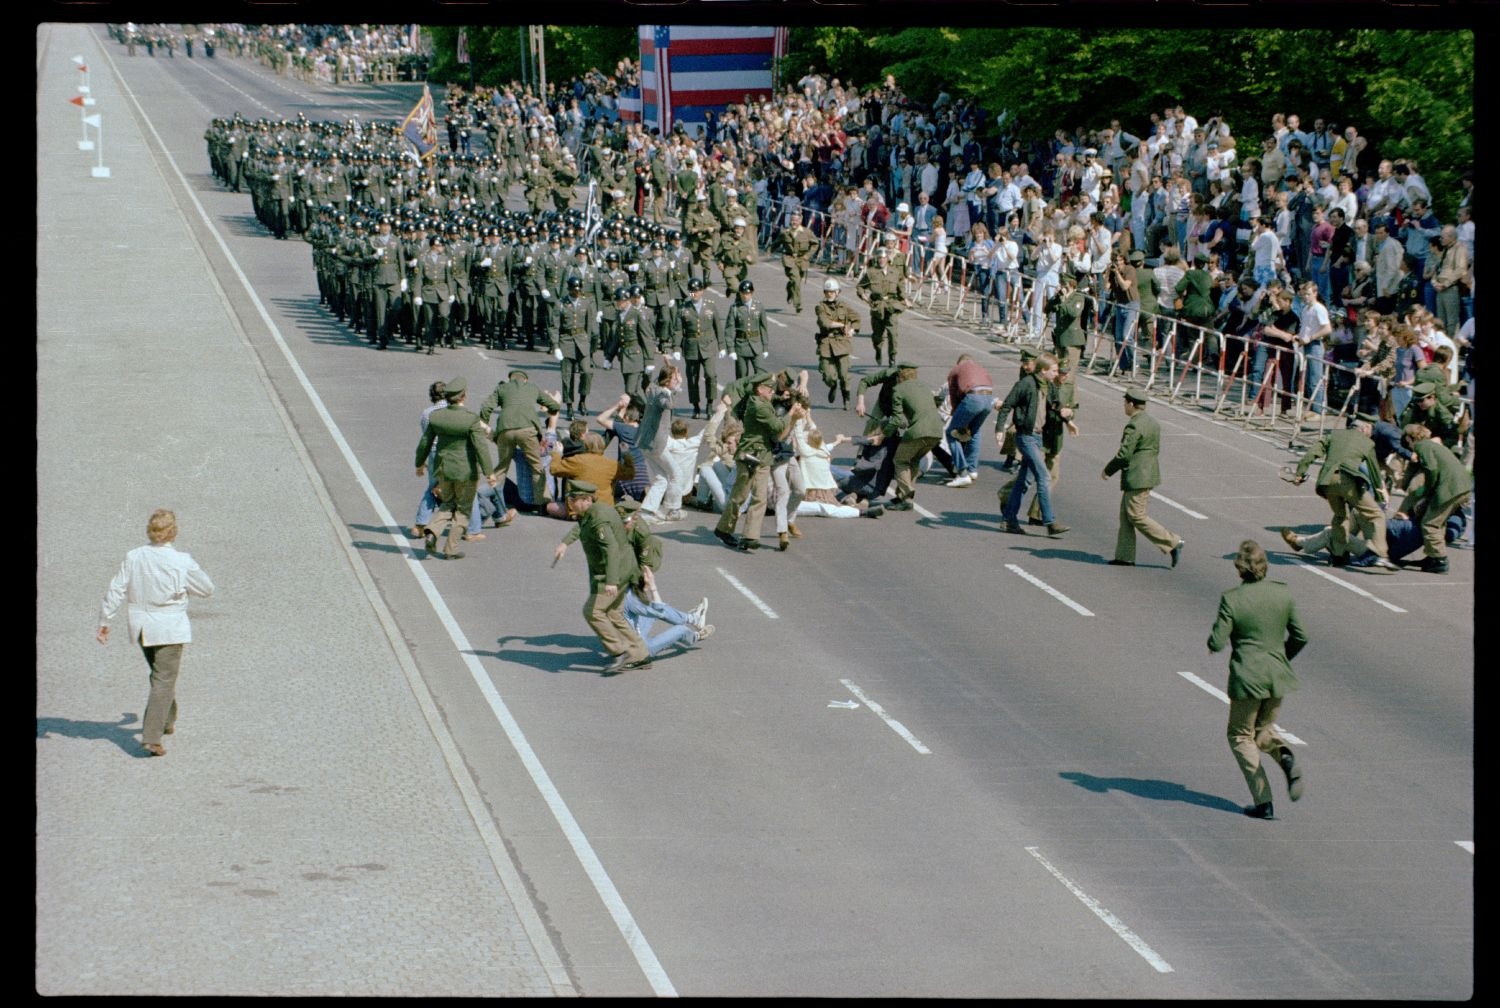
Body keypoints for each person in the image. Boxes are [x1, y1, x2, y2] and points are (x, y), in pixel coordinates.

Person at [97, 509, 216, 757]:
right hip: (169, 628)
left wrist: (105, 621)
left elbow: (116, 588)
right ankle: (152, 737)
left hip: (142, 628)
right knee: (163, 679)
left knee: (160, 676)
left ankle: (167, 719)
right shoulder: (182, 561)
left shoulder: (134, 556)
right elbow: (206, 589)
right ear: (173, 532)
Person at [1207, 540, 1309, 821]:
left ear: (1240, 569)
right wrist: (1282, 657)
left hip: (1247, 677)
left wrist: (1214, 639)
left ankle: (1263, 799)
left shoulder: (1232, 599)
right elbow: (1301, 635)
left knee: (1240, 735)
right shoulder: (1283, 594)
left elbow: (1217, 641)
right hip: (1277, 674)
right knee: (1264, 729)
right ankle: (1284, 756)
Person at [552, 481, 653, 674]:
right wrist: (565, 543)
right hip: (623, 568)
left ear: (587, 499)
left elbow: (611, 549)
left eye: (573, 499)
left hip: (615, 571)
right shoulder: (591, 513)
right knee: (614, 614)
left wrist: (611, 581)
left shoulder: (599, 518)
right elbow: (581, 527)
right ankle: (640, 655)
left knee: (593, 611)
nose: (570, 503)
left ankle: (619, 651)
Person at [1284, 417, 1398, 570]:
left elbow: (1312, 452)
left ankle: (1338, 555)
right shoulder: (1367, 443)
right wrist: (1379, 494)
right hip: (1348, 482)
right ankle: (1380, 554)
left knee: (1340, 517)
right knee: (1376, 514)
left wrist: (1300, 473)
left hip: (1326, 481)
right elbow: (1374, 470)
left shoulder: (1333, 435)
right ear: (1363, 429)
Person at [715, 372, 808, 551]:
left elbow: (779, 405)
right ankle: (724, 529)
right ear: (760, 389)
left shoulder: (764, 402)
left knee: (760, 497)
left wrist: (790, 402)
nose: (773, 391)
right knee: (739, 496)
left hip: (763, 456)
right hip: (750, 455)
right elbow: (777, 427)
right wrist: (791, 413)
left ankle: (750, 536)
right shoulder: (758, 406)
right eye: (769, 389)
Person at [415, 377, 497, 560]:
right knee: (463, 510)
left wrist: (419, 464)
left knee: (447, 504)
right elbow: (480, 447)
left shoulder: (436, 417)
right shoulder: (470, 419)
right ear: (463, 397)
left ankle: (432, 531)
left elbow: (425, 443)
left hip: (444, 469)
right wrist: (489, 472)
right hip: (465, 471)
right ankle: (450, 549)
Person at [1101, 387, 1184, 567]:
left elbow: (1124, 454)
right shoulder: (1152, 422)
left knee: (1136, 515)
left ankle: (1172, 542)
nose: (1124, 406)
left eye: (1125, 403)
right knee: (1126, 515)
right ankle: (1124, 556)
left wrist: (1108, 470)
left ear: (1131, 404)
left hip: (1137, 475)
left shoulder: (1134, 425)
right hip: (1148, 471)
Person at [993, 352, 1070, 537]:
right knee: (1043, 477)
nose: (1056, 373)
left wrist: (1068, 418)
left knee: (1023, 481)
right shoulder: (1026, 384)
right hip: (1026, 437)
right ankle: (1050, 522)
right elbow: (1007, 405)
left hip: (1037, 437)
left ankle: (1008, 520)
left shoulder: (1048, 385)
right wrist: (1000, 429)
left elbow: (1055, 404)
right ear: (1043, 371)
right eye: (1053, 370)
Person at [479, 368, 563, 507]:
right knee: (537, 466)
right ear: (525, 380)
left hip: (505, 430)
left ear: (510, 379)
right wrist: (550, 409)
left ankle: (495, 504)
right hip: (528, 430)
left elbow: (486, 407)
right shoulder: (532, 388)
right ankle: (543, 503)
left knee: (501, 469)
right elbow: (553, 405)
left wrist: (485, 422)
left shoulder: (502, 388)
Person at [1396, 423, 1471, 574]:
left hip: (1450, 488)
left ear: (1411, 438)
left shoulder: (1422, 446)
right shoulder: (1434, 445)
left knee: (1429, 524)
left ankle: (1439, 560)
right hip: (1461, 486)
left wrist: (1427, 491)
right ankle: (1432, 556)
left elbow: (1431, 468)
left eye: (1407, 440)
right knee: (1438, 521)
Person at [873, 362, 944, 511]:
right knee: (914, 460)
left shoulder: (898, 389)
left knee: (900, 460)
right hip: (937, 430)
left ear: (900, 375)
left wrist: (883, 434)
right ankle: (902, 497)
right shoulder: (923, 386)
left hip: (918, 431)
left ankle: (907, 491)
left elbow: (897, 419)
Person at [943, 353, 996, 487]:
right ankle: (972, 469)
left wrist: (956, 412)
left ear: (958, 363)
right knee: (975, 431)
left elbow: (954, 394)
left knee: (952, 433)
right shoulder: (980, 368)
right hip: (988, 398)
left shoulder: (956, 370)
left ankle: (962, 472)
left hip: (973, 398)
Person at [814, 278, 860, 409]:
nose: (830, 294)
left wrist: (852, 330)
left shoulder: (844, 306)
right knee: (828, 375)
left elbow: (857, 318)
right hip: (826, 343)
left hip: (842, 343)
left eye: (833, 292)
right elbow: (825, 322)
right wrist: (843, 325)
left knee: (845, 375)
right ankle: (833, 385)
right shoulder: (820, 306)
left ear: (838, 292)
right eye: (828, 292)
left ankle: (846, 398)